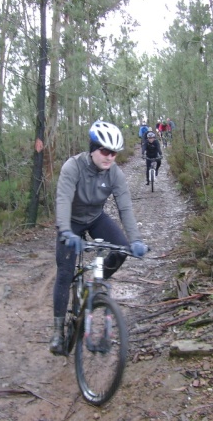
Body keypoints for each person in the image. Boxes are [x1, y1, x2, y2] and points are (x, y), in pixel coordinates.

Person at [50, 120, 148, 355]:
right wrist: (65, 232)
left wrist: (136, 240)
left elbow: (125, 208)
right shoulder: (72, 167)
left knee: (122, 249)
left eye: (113, 152)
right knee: (64, 273)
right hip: (71, 221)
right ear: (93, 148)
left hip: (95, 218)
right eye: (104, 150)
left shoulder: (115, 173)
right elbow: (63, 200)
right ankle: (57, 332)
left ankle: (96, 285)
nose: (109, 157)